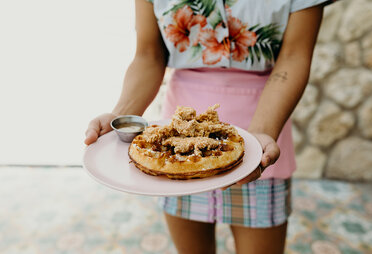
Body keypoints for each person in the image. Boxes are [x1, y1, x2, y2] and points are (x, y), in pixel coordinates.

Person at [84, 0, 336, 253]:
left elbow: (294, 56)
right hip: (173, 154)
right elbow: (148, 55)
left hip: (264, 130)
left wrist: (262, 132)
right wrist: (121, 117)